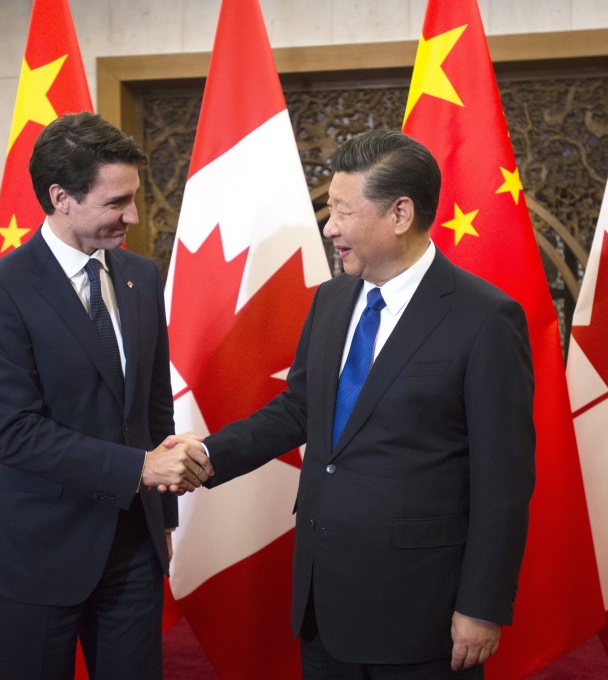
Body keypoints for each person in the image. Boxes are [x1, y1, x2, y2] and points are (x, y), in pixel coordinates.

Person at [199, 128, 535, 678]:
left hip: (420, 609)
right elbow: (301, 408)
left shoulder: (485, 317)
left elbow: (504, 478)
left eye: (343, 211)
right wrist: (208, 455)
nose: (329, 227)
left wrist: (483, 605)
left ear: (400, 213)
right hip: (322, 600)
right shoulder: (332, 300)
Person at [0, 112, 214, 680]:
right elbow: (15, 433)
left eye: (134, 198)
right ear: (61, 198)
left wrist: (163, 517)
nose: (134, 216)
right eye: (116, 202)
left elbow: (153, 408)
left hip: (133, 545)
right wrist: (140, 468)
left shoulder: (141, 276)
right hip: (36, 548)